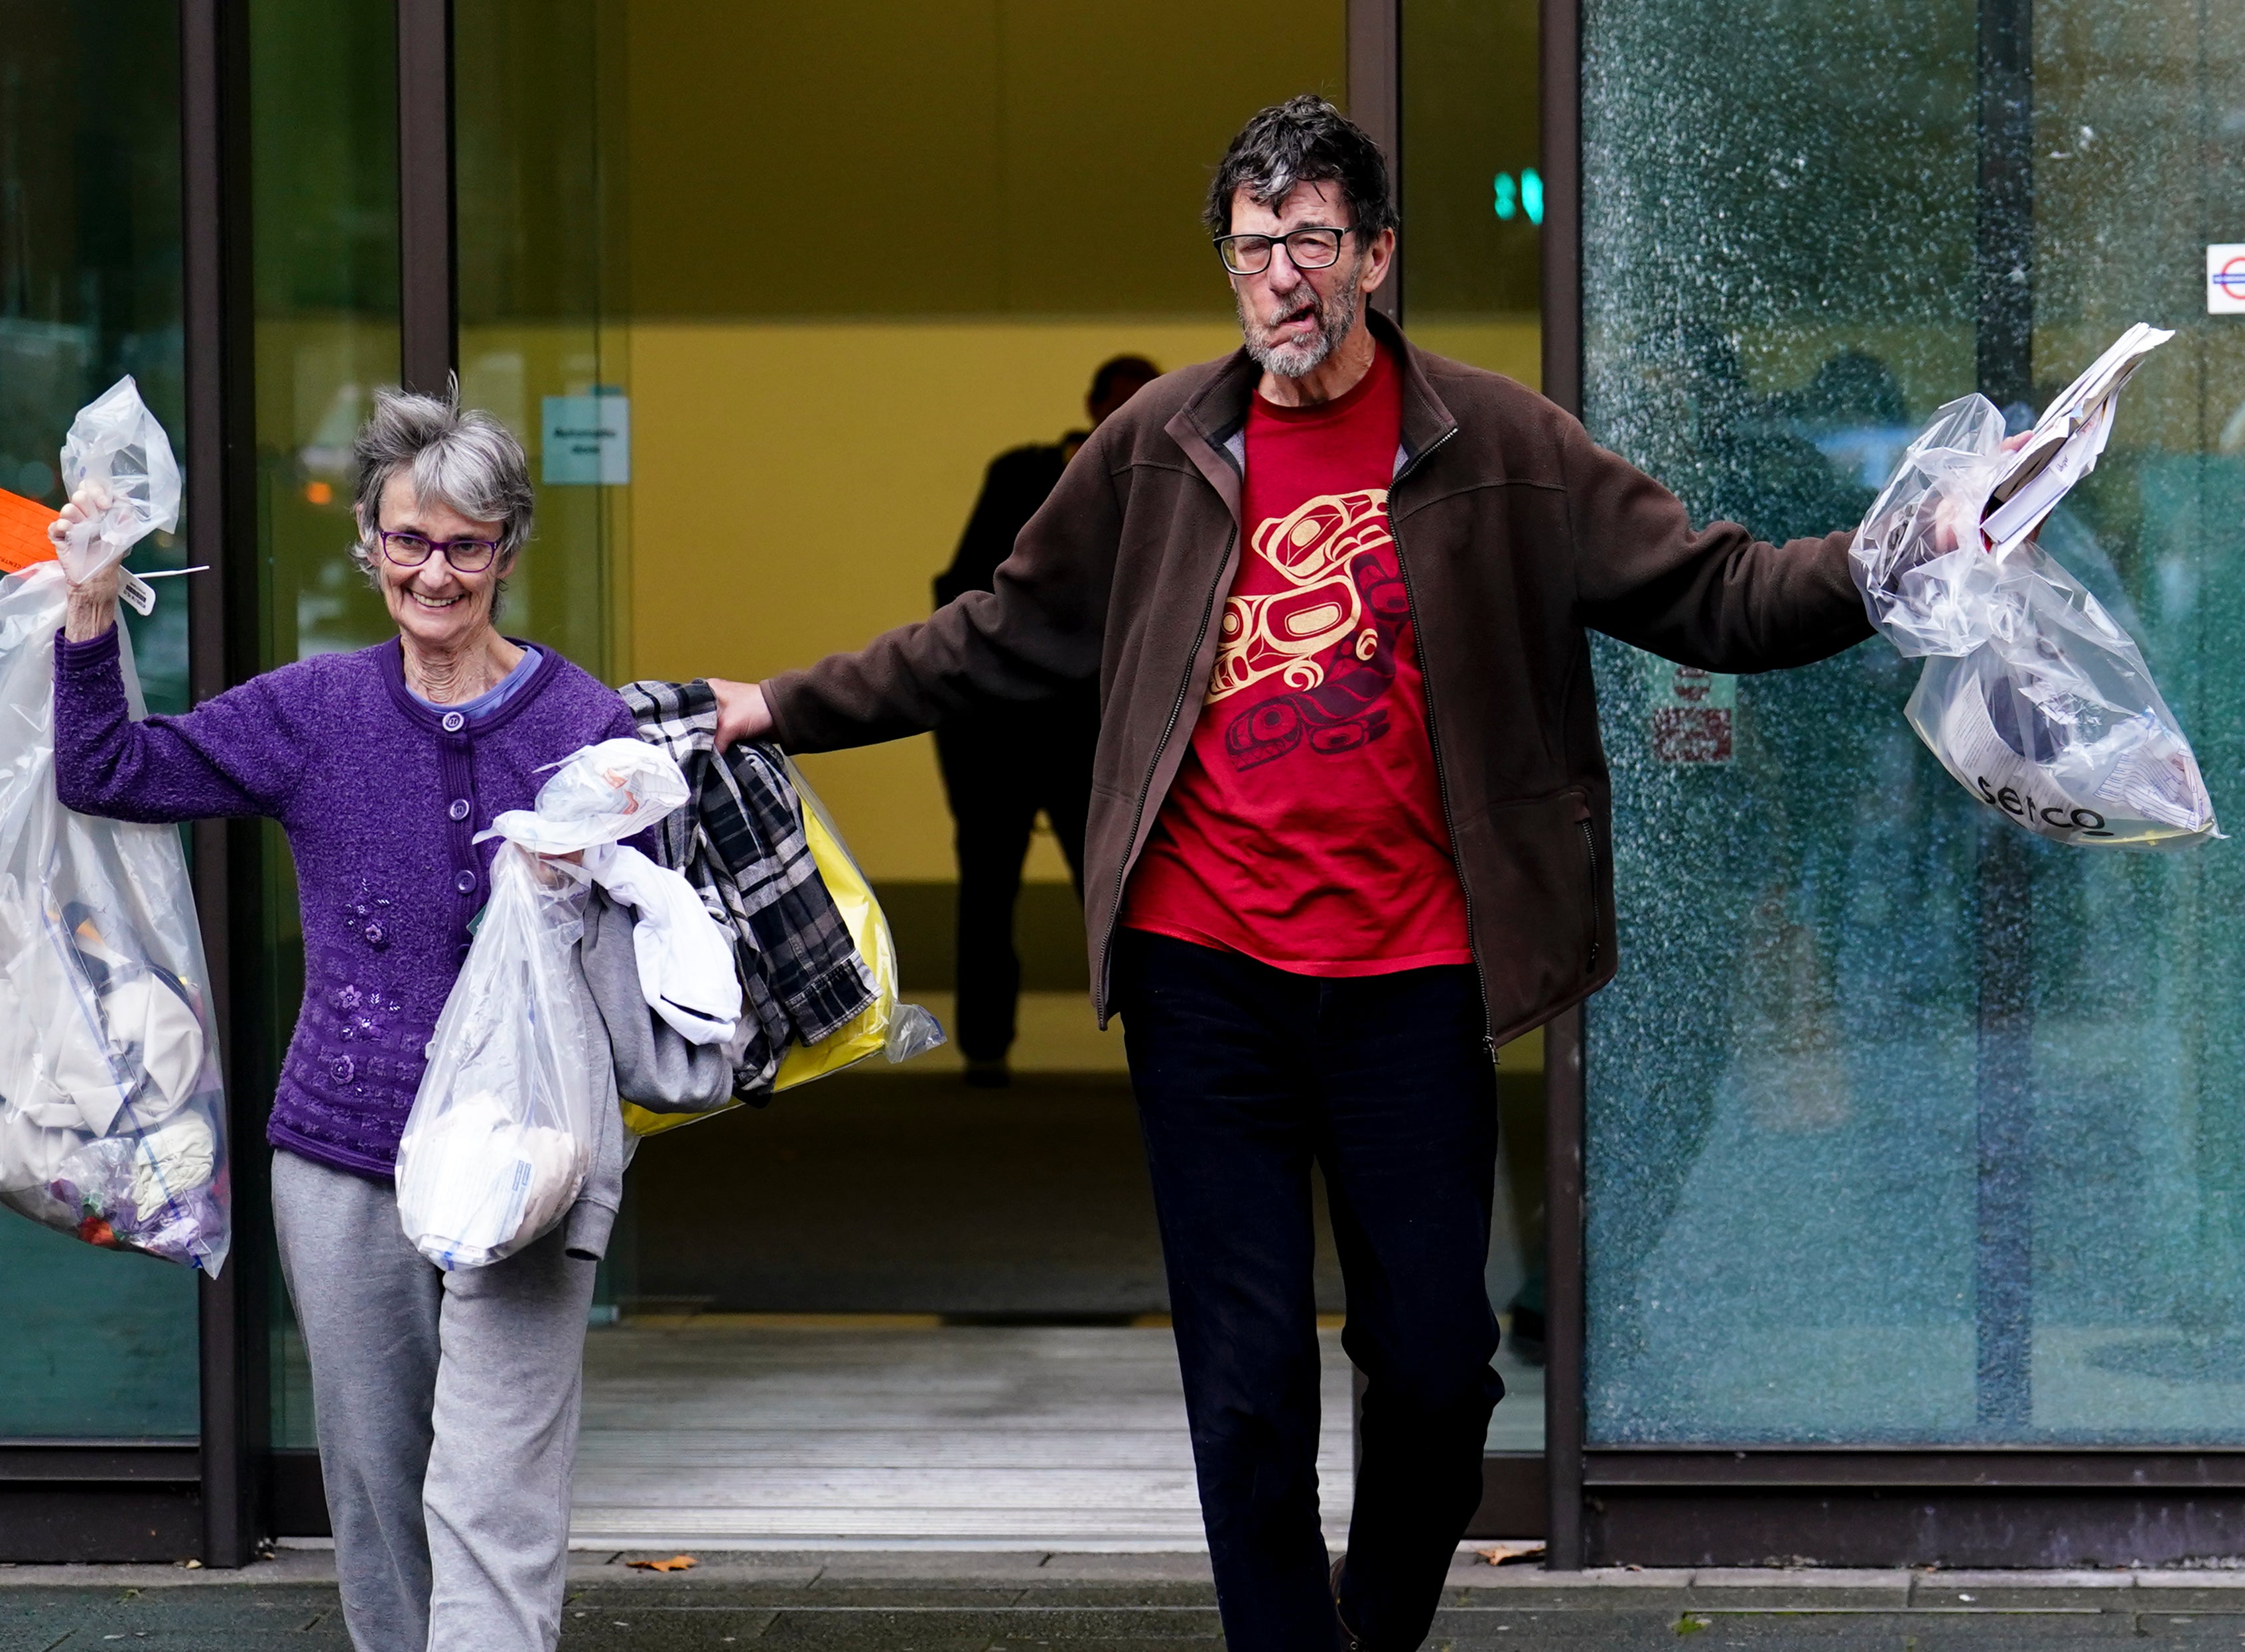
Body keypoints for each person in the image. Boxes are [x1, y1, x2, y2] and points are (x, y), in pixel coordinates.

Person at [709, 95, 1879, 1651]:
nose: (1278, 277)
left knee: (1439, 1358)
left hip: (1410, 975)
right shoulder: (1158, 448)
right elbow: (995, 632)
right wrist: (770, 706)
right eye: (1251, 247)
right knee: (1243, 1369)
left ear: (1375, 256)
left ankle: (1367, 1628)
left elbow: (1710, 590)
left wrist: (1886, 565)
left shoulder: (1499, 446)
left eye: (1310, 241)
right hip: (1210, 979)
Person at [52, 388, 632, 1652]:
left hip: (533, 1152)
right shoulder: (314, 712)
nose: (436, 571)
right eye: (410, 541)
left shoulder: (587, 725)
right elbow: (109, 773)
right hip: (346, 1152)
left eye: (466, 544)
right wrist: (91, 615)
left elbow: (663, 934)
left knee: (499, 1491)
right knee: (376, 1484)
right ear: (369, 546)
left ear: (508, 552)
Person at [932, 354, 1158, 1085]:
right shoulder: (1027, 475)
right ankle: (984, 1048)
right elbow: (967, 593)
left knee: (1118, 889)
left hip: (1087, 732)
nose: (1122, 417)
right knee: (989, 890)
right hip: (1001, 729)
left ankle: (1160, 1037)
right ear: (1092, 405)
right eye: (1117, 404)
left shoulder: (1169, 488)